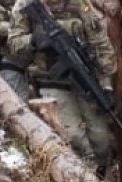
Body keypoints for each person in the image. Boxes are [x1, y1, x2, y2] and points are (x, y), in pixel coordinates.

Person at [7, 0, 115, 169]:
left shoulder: (80, 4)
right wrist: (34, 40)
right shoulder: (25, 5)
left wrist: (106, 85)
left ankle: (102, 171)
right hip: (50, 79)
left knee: (101, 138)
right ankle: (87, 178)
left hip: (85, 78)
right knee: (74, 137)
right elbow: (13, 43)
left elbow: (101, 45)